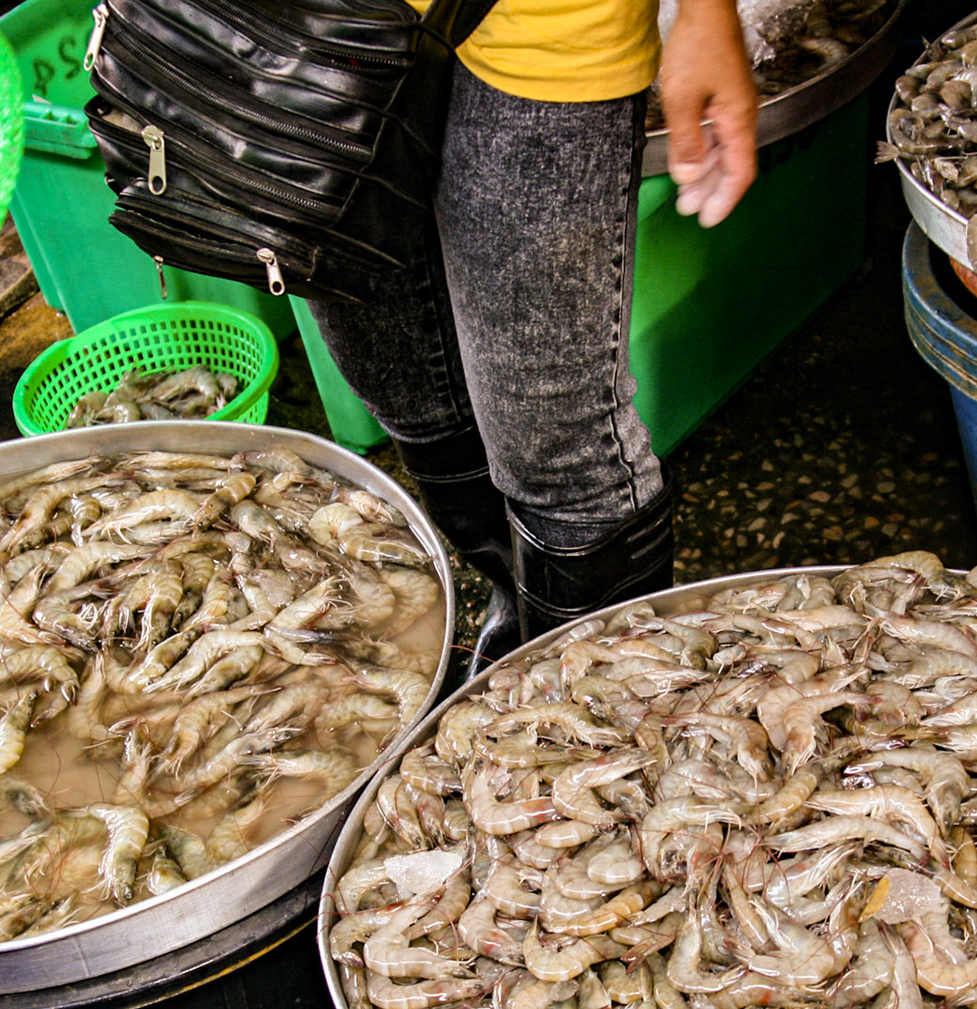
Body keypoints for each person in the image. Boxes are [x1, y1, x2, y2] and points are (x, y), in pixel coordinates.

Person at [305, 0, 759, 678]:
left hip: (547, 30)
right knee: (397, 376)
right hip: (313, 25)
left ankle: (599, 701)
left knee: (551, 437)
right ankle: (517, 609)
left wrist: (704, 13)